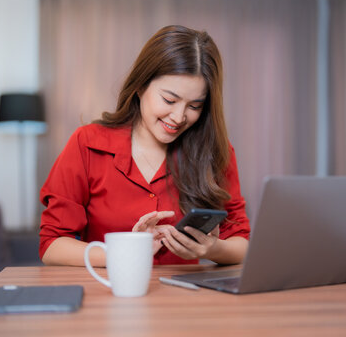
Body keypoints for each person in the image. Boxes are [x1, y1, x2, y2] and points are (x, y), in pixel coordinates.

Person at [39, 25, 250, 267]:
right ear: (140, 86)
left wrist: (214, 248)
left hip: (183, 300)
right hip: (108, 297)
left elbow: (241, 244)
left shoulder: (213, 153)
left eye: (194, 106)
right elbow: (52, 246)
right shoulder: (87, 144)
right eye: (169, 100)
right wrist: (128, 253)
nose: (179, 117)